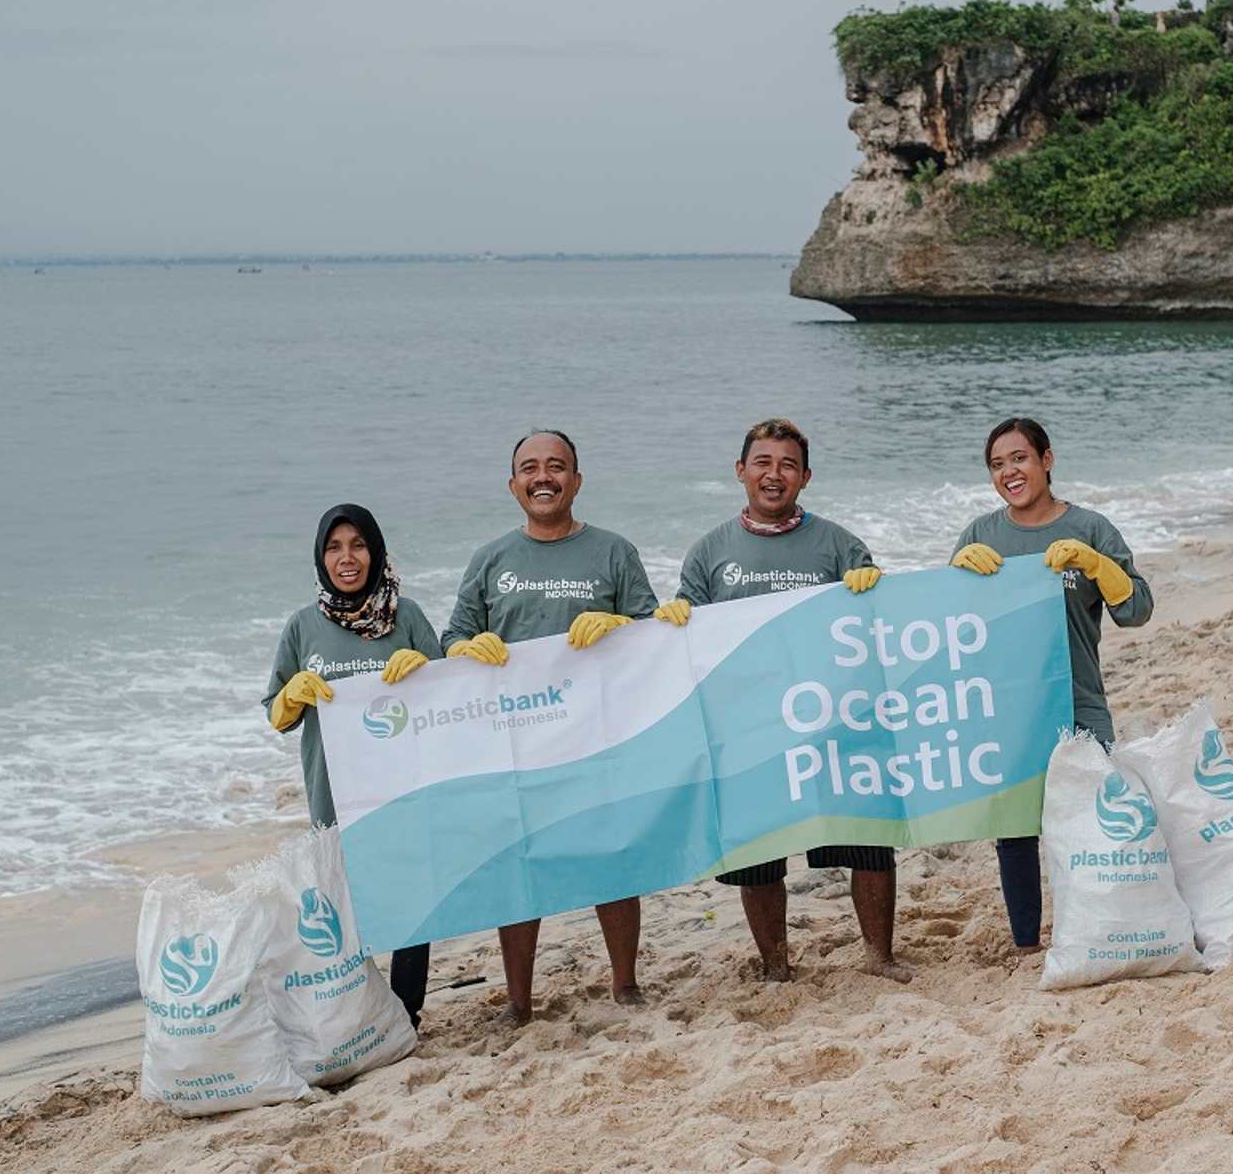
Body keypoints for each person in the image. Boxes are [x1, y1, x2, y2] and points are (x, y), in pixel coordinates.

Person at [654, 418, 906, 984]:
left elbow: (876, 628)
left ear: (806, 477)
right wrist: (671, 619)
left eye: (788, 465)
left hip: (833, 720)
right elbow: (686, 641)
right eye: (763, 463)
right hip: (749, 729)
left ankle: (880, 956)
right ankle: (774, 966)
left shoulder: (840, 544)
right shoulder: (710, 551)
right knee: (758, 853)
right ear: (741, 471)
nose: (775, 475)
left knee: (867, 837)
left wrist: (875, 590)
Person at [440, 429, 659, 1024]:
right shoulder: (491, 558)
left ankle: (625, 984)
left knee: (611, 858)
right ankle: (517, 1000)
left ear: (577, 481)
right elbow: (452, 637)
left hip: (598, 736)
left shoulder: (613, 551)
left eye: (556, 467)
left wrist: (618, 627)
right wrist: (469, 646)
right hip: (516, 743)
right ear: (513, 485)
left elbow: (653, 631)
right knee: (522, 867)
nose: (544, 477)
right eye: (530, 468)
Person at [948, 417, 1153, 952]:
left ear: (1046, 459)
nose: (1009, 472)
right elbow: (951, 631)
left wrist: (1096, 563)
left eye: (1019, 458)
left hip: (1078, 698)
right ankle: (1026, 944)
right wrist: (954, 576)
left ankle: (1098, 932)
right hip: (1008, 706)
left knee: (1093, 822)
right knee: (1015, 831)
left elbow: (1136, 610)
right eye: (997, 464)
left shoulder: (1090, 528)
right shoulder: (980, 535)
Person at [264, 503, 438, 1029]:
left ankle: (407, 1013)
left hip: (404, 788)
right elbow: (277, 716)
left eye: (358, 545)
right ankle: (355, 1013)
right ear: (320, 557)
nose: (347, 558)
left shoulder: (405, 616)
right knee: (341, 908)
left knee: (411, 904)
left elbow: (451, 700)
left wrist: (428, 669)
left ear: (375, 552)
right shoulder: (302, 626)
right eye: (334, 547)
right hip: (334, 791)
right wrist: (293, 694)